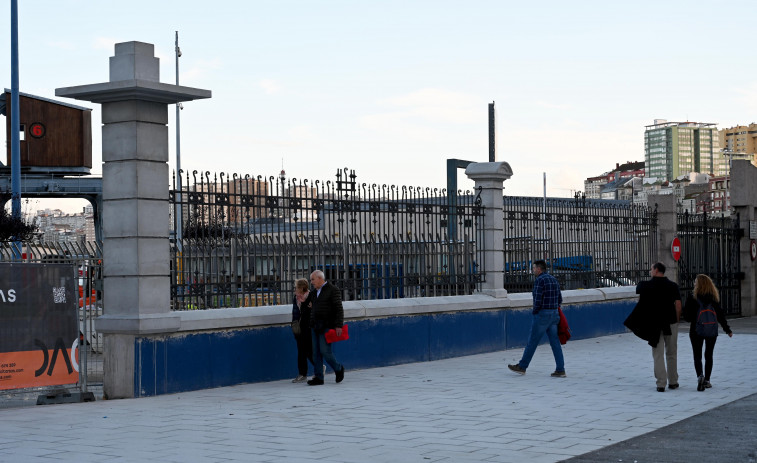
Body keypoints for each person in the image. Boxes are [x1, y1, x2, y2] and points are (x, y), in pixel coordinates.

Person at [625, 262, 682, 392]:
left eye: (651, 269)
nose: (650, 271)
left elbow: (639, 293)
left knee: (658, 354)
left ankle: (661, 383)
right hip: (670, 322)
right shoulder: (673, 286)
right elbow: (678, 305)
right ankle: (673, 381)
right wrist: (676, 321)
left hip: (655, 324)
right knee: (672, 352)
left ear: (656, 270)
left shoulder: (646, 286)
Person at [508, 260, 565, 377]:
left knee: (532, 341)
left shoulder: (539, 280)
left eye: (534, 268)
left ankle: (522, 366)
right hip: (554, 314)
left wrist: (535, 312)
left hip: (543, 314)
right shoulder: (554, 279)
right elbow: (560, 299)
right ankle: (560, 369)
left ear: (539, 269)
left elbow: (537, 299)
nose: (533, 270)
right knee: (555, 342)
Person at [682, 274, 733, 391]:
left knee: (697, 355)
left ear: (699, 284)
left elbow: (687, 317)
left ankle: (700, 376)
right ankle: (707, 381)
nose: (694, 284)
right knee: (709, 355)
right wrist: (727, 330)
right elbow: (720, 315)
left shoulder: (692, 297)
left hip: (696, 330)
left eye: (695, 282)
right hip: (711, 330)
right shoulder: (713, 297)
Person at [307, 270, 346, 386]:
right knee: (316, 353)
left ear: (320, 278)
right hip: (315, 325)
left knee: (325, 351)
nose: (311, 282)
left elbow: (338, 308)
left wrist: (338, 325)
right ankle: (318, 377)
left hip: (326, 325)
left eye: (313, 279)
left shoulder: (333, 290)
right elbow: (311, 307)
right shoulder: (314, 293)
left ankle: (338, 368)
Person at [291, 278, 314, 383]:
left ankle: (318, 366)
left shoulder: (311, 297)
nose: (295, 289)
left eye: (296, 287)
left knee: (308, 350)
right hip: (299, 328)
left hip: (308, 328)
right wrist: (294, 325)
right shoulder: (296, 298)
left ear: (301, 288)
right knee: (301, 351)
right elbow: (294, 313)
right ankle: (302, 374)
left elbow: (315, 312)